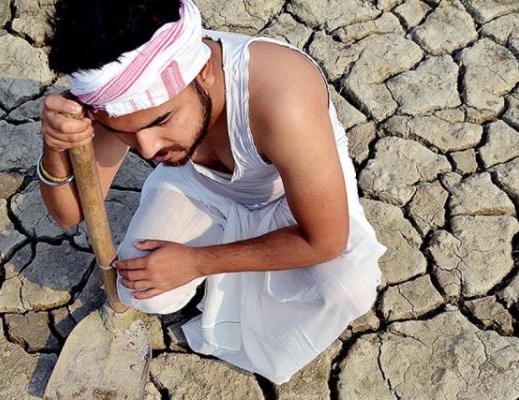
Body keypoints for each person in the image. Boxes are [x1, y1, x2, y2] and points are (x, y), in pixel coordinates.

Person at [37, 0, 386, 384]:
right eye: (127, 133)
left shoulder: (283, 98)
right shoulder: (114, 98)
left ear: (203, 71)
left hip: (287, 198)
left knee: (346, 291)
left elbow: (324, 241)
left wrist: (197, 262)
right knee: (142, 293)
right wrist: (55, 148)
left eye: (162, 120)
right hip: (199, 189)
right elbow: (70, 214)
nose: (149, 149)